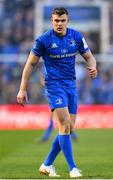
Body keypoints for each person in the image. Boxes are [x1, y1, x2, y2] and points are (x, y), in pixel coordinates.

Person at [17, 7, 97, 178]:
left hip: (70, 86)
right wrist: (22, 88)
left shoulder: (76, 37)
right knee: (65, 124)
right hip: (54, 86)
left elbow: (89, 56)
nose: (59, 23)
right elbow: (30, 64)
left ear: (67, 21)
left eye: (62, 20)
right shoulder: (43, 40)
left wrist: (93, 66)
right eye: (56, 21)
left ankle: (46, 164)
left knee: (67, 127)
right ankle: (73, 168)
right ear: (52, 21)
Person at [39, 71, 78, 143]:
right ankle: (72, 135)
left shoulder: (53, 66)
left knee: (60, 120)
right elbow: (42, 81)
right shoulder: (45, 68)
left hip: (58, 93)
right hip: (52, 93)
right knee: (59, 119)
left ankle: (46, 136)